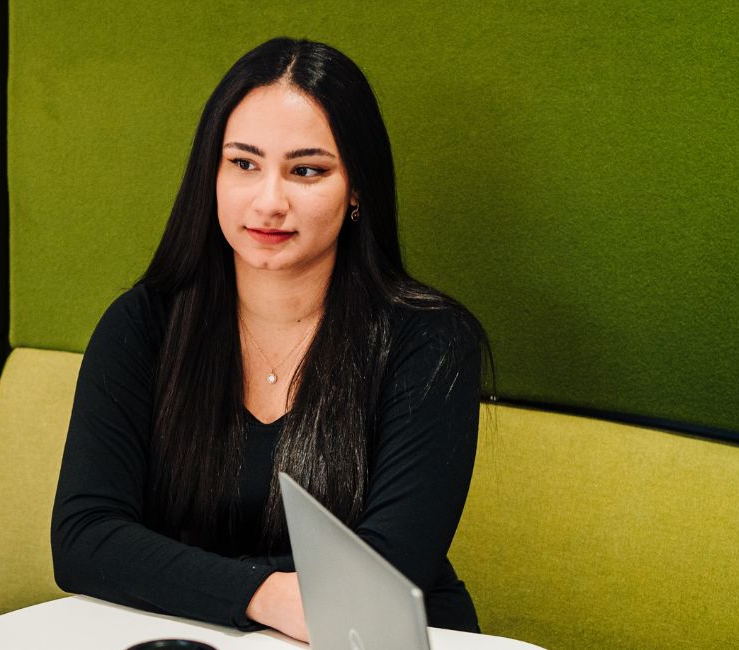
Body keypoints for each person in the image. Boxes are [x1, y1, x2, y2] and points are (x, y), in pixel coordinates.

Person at [50, 37, 486, 642]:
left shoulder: (429, 342)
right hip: (201, 636)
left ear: (357, 189)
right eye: (244, 163)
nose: (269, 201)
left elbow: (384, 569)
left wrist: (174, 573)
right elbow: (84, 539)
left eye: (307, 170)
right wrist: (266, 594)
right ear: (212, 173)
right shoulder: (144, 325)